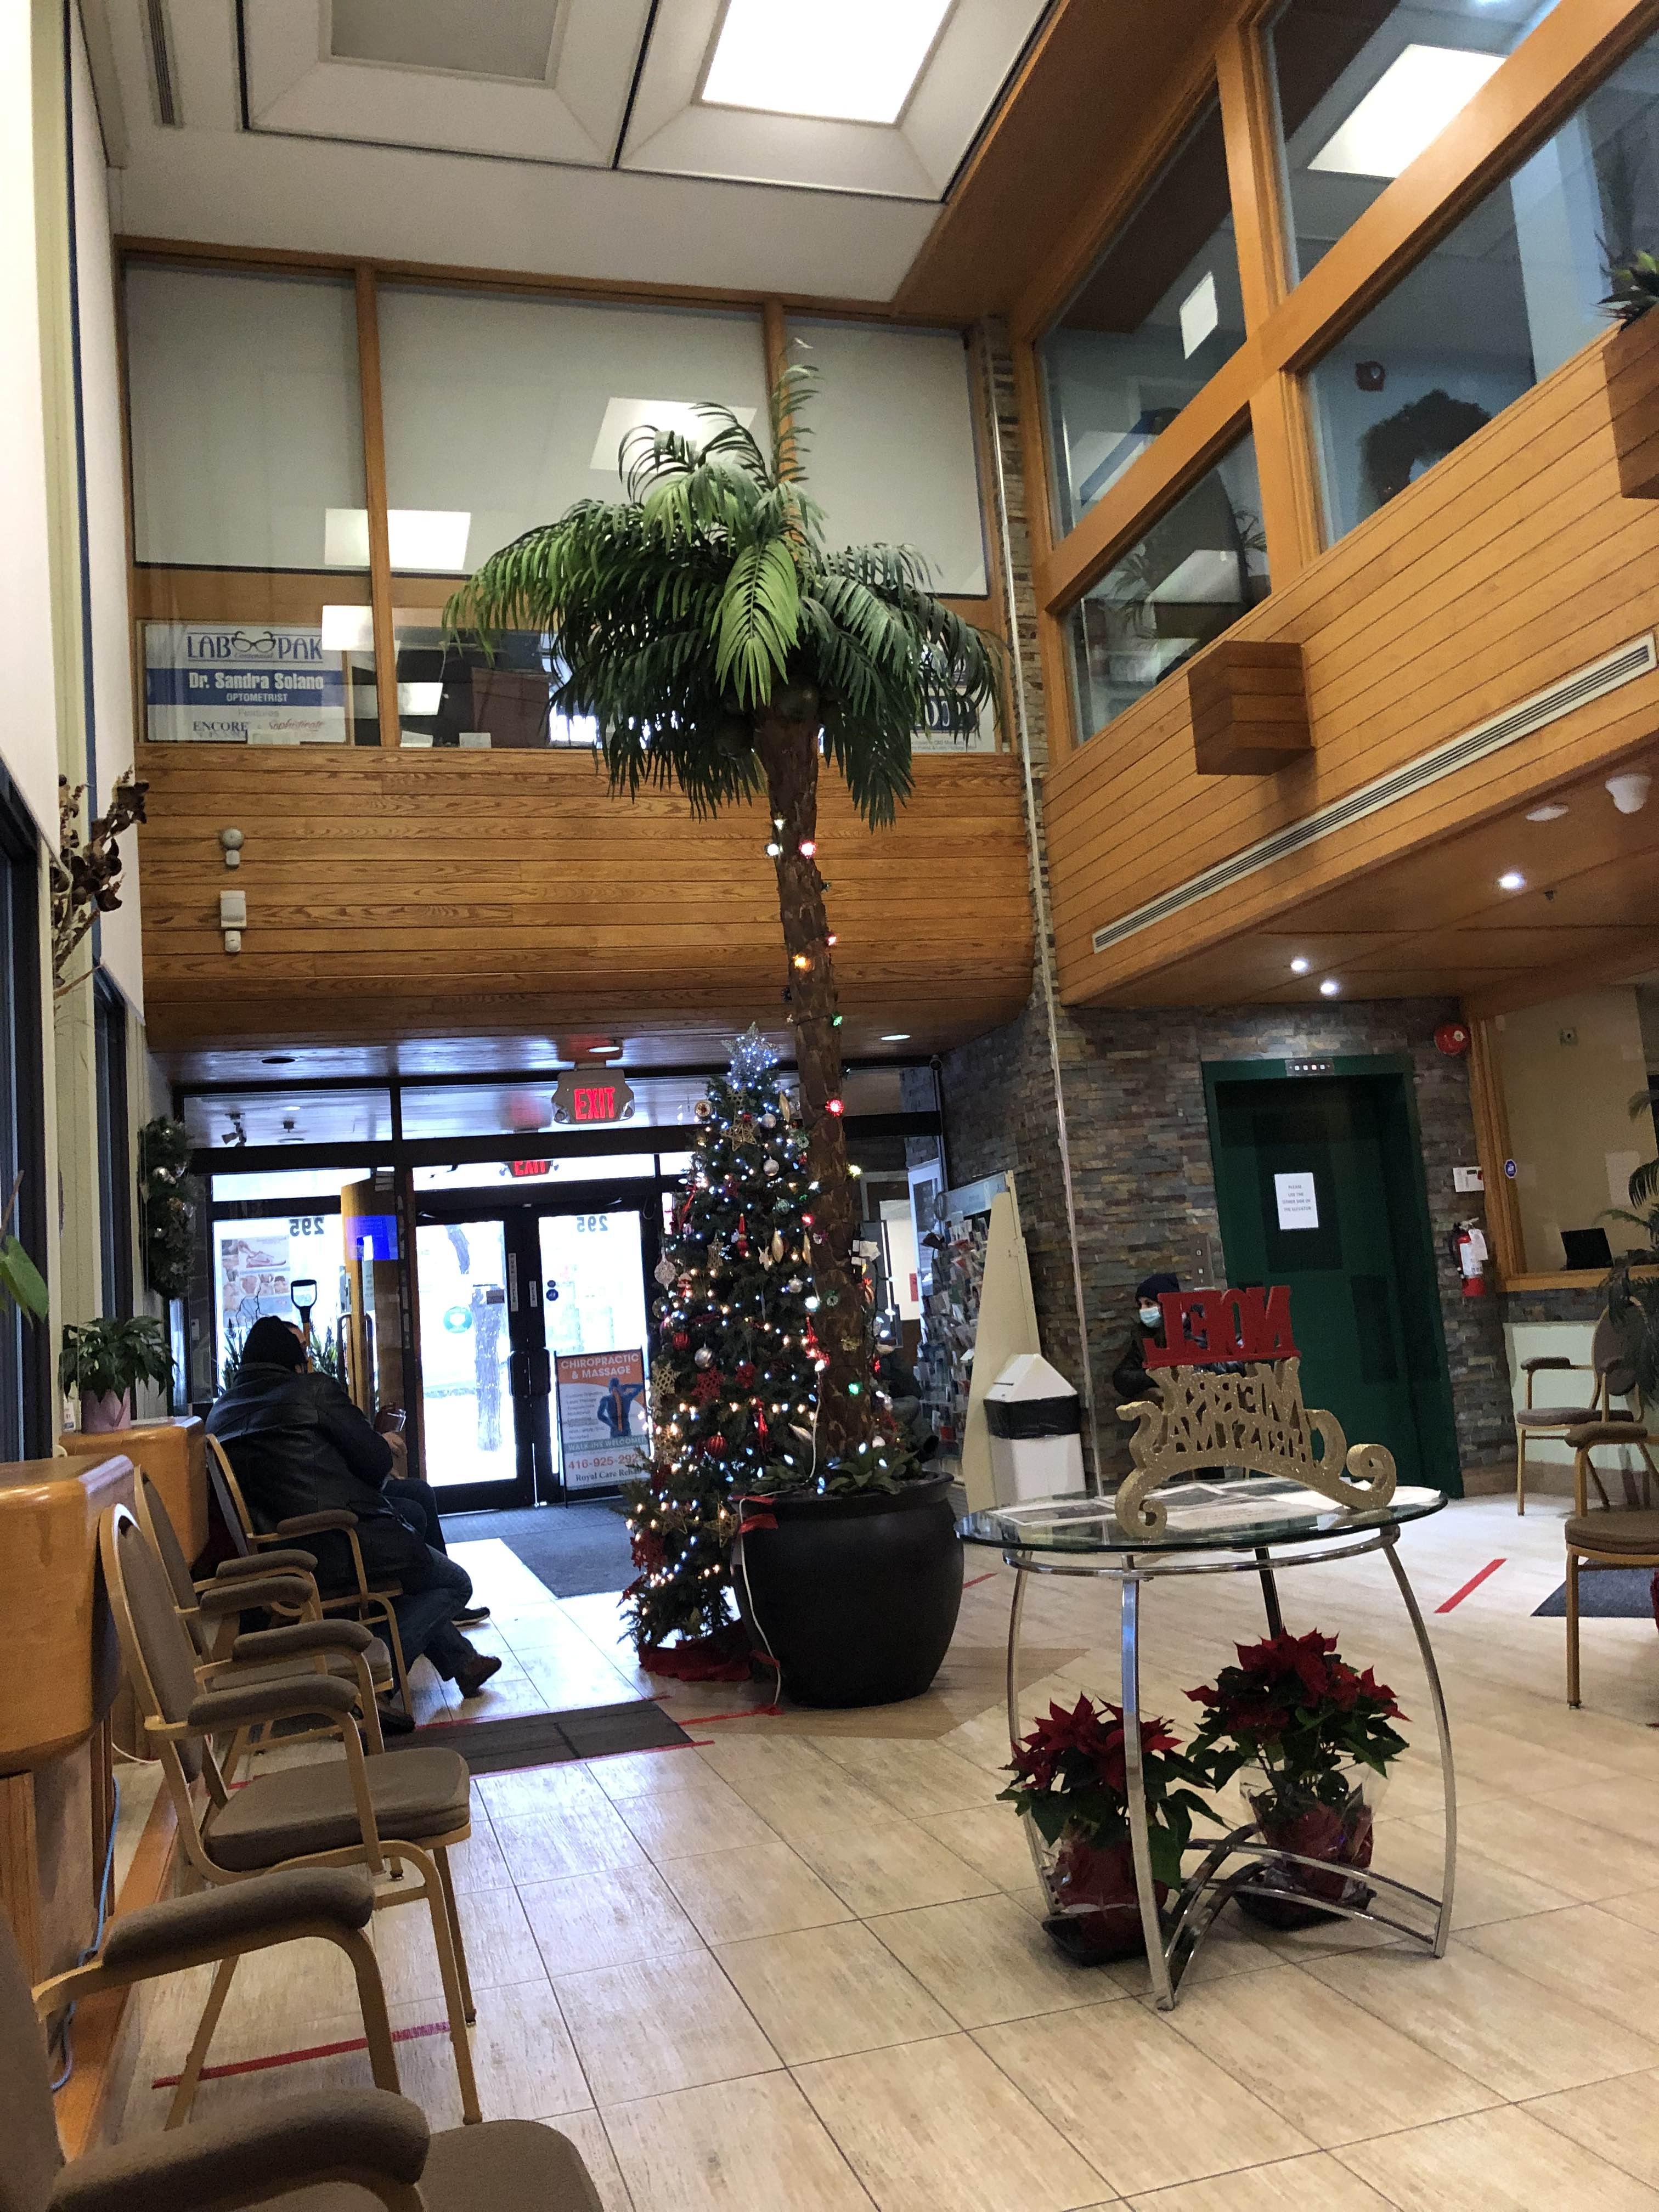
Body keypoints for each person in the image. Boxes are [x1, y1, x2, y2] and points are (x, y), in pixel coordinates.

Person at [208, 1316, 501, 1708]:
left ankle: (461, 1661)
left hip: (275, 1553)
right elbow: (376, 1462)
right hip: (336, 1544)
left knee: (410, 1533)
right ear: (294, 1364)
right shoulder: (312, 1391)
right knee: (452, 1583)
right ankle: (372, 1680)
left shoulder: (220, 1413)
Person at [1111, 1273, 1180, 1408]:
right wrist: (1156, 1377)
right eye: (1140, 1305)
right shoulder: (1143, 1335)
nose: (1143, 1310)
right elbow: (1122, 1377)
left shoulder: (1191, 1330)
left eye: (1149, 1304)